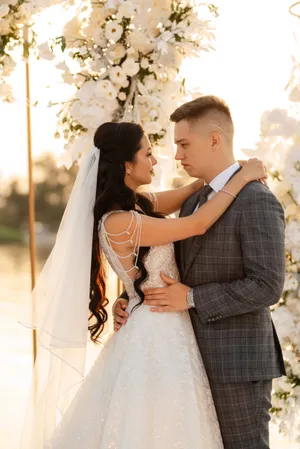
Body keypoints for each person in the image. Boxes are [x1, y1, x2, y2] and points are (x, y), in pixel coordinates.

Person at [19, 119, 267, 449]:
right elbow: (198, 223)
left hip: (158, 318)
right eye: (148, 154)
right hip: (156, 330)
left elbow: (190, 192)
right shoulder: (121, 221)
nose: (155, 161)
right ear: (126, 163)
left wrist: (224, 172)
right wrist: (244, 178)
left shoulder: (136, 206)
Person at [114, 96, 286, 449]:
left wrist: (191, 297)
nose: (177, 155)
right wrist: (130, 298)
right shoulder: (193, 201)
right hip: (186, 360)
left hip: (236, 365)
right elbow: (169, 263)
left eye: (183, 144)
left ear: (214, 139)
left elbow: (267, 285)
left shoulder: (257, 200)